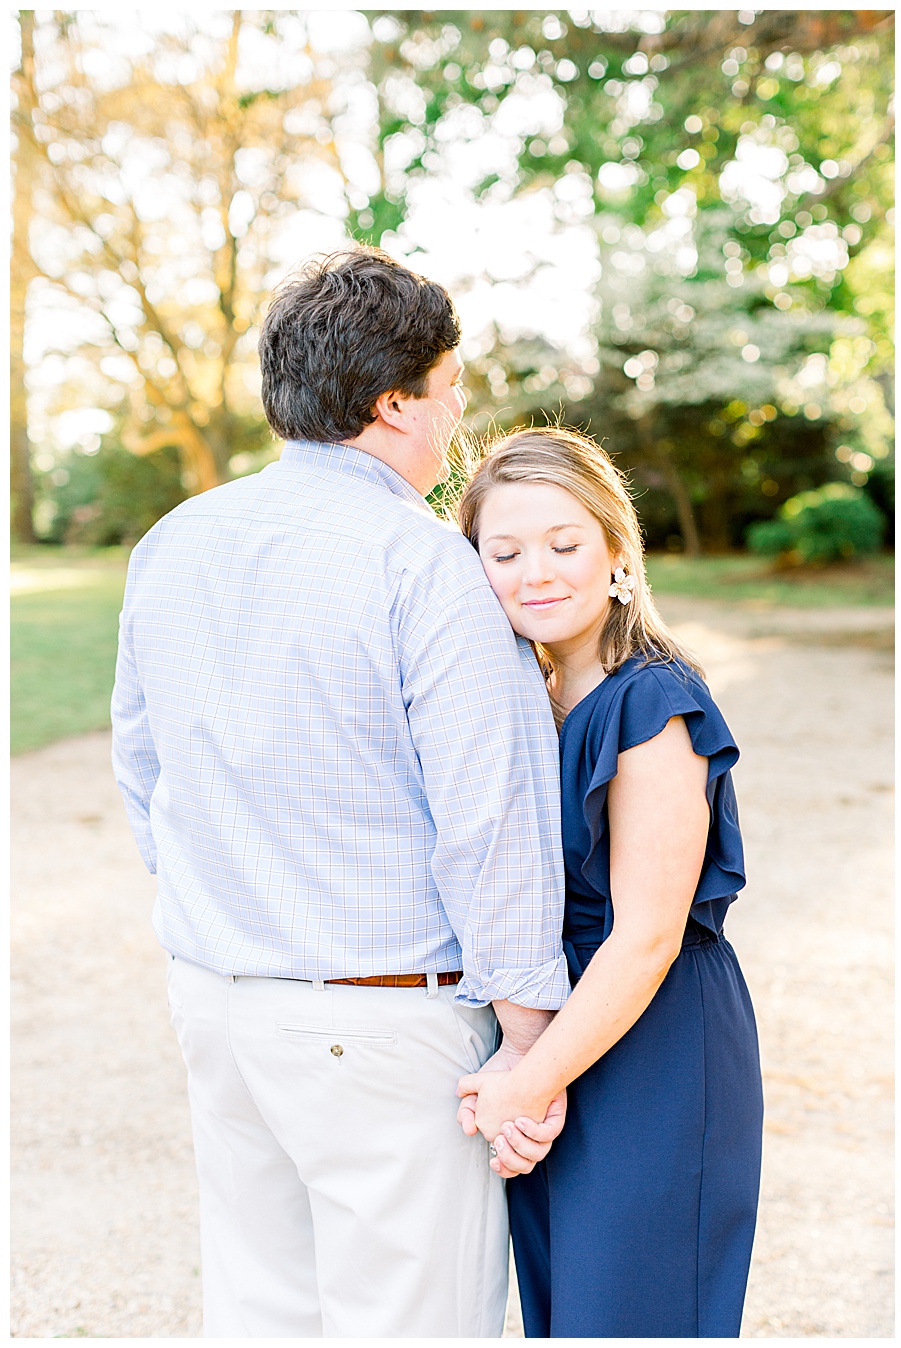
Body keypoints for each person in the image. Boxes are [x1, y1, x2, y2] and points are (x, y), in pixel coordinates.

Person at [111, 247, 570, 1336]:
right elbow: (489, 820)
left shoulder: (173, 544)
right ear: (393, 403)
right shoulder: (425, 564)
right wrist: (531, 1042)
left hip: (219, 997)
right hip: (381, 1018)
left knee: (262, 1310)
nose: (457, 416)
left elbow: (142, 767)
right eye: (450, 388)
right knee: (417, 1320)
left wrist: (228, 906)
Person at [453, 426, 763, 1338]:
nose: (535, 574)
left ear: (618, 554)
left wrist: (527, 1081)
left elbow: (648, 937)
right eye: (505, 553)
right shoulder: (526, 696)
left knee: (632, 1316)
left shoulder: (650, 702)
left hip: (652, 1047)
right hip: (558, 1032)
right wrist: (524, 1057)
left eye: (565, 544)